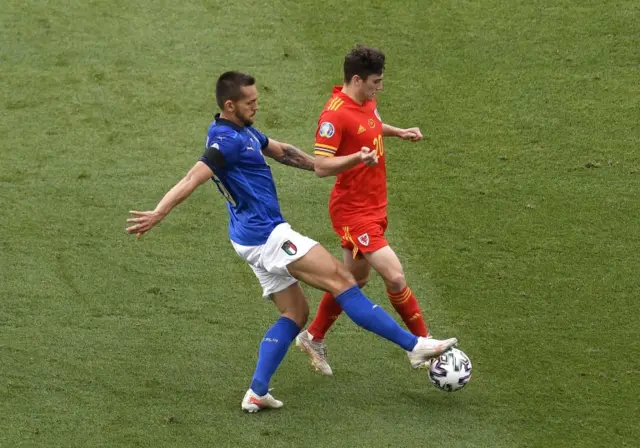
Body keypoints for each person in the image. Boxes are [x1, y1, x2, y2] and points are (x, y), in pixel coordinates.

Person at [126, 71, 457, 413]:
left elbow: (283, 151)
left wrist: (326, 165)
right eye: (250, 102)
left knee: (295, 312)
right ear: (230, 105)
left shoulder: (240, 130)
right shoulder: (225, 142)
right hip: (267, 235)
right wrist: (158, 212)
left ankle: (257, 392)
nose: (256, 106)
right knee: (345, 281)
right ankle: (413, 345)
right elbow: (193, 177)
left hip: (246, 239)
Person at [296, 45, 445, 376]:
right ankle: (423, 345)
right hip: (353, 211)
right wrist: (357, 159)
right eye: (376, 81)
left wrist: (398, 132)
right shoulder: (334, 115)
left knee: (353, 282)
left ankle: (313, 336)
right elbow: (321, 166)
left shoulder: (364, 102)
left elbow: (372, 125)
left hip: (375, 205)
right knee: (394, 275)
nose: (380, 87)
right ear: (357, 79)